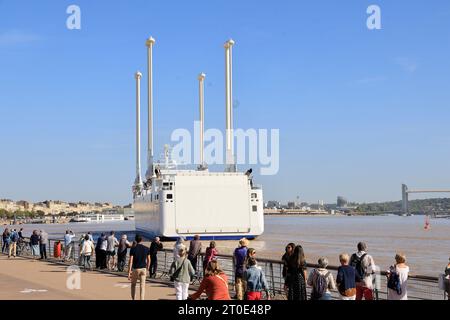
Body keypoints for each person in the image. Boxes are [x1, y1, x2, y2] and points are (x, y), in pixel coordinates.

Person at [128, 234, 151, 300]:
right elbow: (149, 260)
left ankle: (133, 299)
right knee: (142, 286)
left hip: (135, 269)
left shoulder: (133, 249)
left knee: (133, 285)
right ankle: (142, 299)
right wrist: (147, 268)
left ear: (135, 239)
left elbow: (131, 261)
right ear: (142, 240)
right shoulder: (146, 248)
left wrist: (129, 272)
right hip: (143, 268)